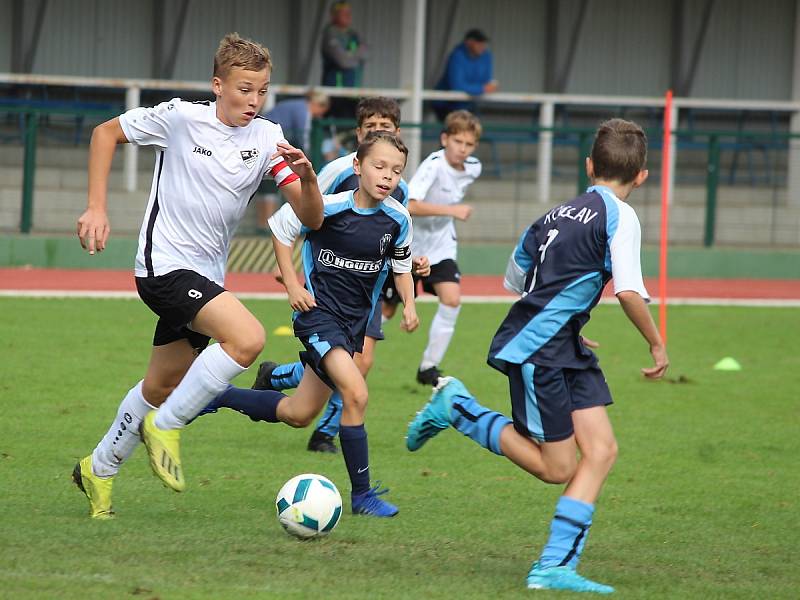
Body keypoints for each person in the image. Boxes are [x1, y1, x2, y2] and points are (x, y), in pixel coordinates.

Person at [405, 118, 669, 593]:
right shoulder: (621, 217)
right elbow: (629, 292)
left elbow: (515, 277)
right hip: (540, 348)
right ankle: (458, 409)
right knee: (558, 467)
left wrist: (564, 318)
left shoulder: (555, 213)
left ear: (590, 166)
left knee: (603, 451)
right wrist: (655, 341)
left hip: (561, 343)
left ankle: (554, 567)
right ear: (643, 175)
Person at [71, 33, 324, 519]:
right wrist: (97, 206)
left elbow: (310, 218)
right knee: (247, 339)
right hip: (163, 266)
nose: (253, 101)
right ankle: (166, 427)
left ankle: (97, 469)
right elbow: (105, 134)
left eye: (262, 91)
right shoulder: (181, 118)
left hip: (204, 277)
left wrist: (308, 179)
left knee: (159, 385)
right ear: (218, 85)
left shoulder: (270, 138)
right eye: (245, 89)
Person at [198, 97, 430, 456]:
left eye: (385, 129)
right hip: (326, 291)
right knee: (356, 373)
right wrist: (293, 274)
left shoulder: (400, 193)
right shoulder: (338, 172)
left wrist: (413, 270)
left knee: (311, 398)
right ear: (359, 137)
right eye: (371, 129)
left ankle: (271, 379)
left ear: (397, 134)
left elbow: (392, 241)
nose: (378, 134)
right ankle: (329, 438)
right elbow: (311, 213)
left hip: (366, 292)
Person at [409, 110, 482, 386]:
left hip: (441, 246)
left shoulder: (474, 168)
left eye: (469, 144)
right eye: (457, 142)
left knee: (452, 299)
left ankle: (429, 366)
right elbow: (411, 205)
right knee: (387, 311)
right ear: (444, 139)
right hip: (411, 246)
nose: (462, 149)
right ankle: (352, 355)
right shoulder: (433, 166)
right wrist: (452, 210)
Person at [256, 91, 330, 229]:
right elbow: (304, 135)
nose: (319, 116)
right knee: (269, 189)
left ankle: (263, 225)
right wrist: (307, 156)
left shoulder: (296, 105)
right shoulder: (303, 110)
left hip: (265, 145)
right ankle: (266, 226)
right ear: (317, 104)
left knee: (266, 189)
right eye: (321, 111)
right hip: (273, 148)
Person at [432, 29, 498, 122]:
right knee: (454, 130)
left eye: (483, 43)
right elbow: (457, 85)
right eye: (478, 43)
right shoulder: (457, 56)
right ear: (469, 42)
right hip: (447, 104)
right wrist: (482, 89)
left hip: (469, 103)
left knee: (472, 130)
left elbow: (486, 81)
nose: (482, 46)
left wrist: (487, 87)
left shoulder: (486, 56)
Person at [321, 1, 368, 119]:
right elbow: (343, 61)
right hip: (336, 93)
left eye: (348, 13)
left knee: (354, 128)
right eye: (343, 13)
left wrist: (348, 56)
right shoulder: (330, 33)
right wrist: (355, 56)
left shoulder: (353, 34)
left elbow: (366, 54)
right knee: (337, 128)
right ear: (334, 16)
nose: (347, 16)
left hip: (353, 92)